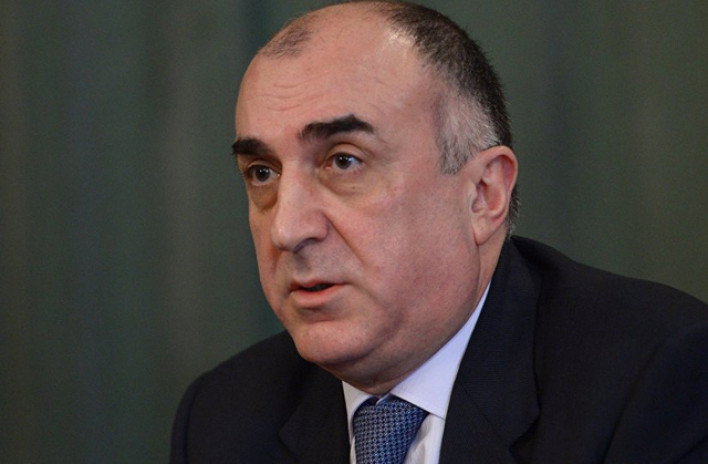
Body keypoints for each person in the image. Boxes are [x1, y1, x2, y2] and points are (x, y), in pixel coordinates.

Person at [170, 1, 708, 463]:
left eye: (344, 161)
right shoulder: (223, 420)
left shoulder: (657, 382)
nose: (288, 229)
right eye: (262, 173)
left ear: (483, 195)